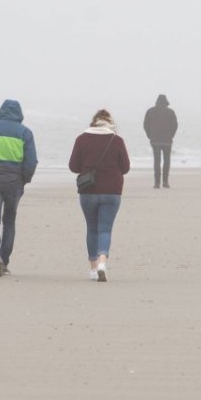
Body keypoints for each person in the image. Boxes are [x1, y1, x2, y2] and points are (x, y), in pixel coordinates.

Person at [0, 99, 38, 277]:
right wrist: (24, 180)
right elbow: (31, 161)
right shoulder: (25, 132)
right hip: (14, 183)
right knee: (9, 222)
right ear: (19, 114)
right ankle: (4, 261)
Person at [69, 109, 131, 282]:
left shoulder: (82, 139)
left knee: (92, 228)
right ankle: (103, 261)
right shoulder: (117, 140)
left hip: (88, 191)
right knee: (105, 228)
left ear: (94, 122)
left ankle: (93, 268)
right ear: (110, 122)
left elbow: (73, 166)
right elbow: (125, 167)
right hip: (112, 191)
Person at [143, 94, 178, 188]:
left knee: (157, 161)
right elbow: (175, 125)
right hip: (167, 140)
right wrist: (171, 135)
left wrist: (150, 135)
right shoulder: (170, 112)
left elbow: (145, 125)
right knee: (167, 161)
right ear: (166, 102)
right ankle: (165, 182)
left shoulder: (150, 111)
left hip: (155, 140)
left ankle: (157, 183)